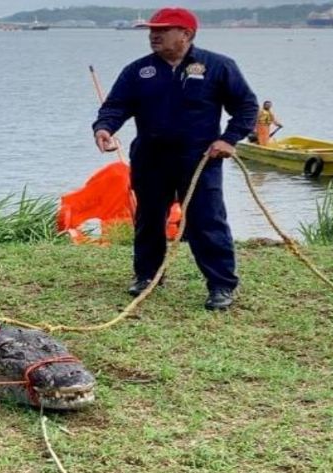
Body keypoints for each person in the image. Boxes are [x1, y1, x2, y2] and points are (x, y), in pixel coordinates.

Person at [93, 7, 258, 311]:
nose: (154, 35)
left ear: (186, 34)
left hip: (199, 160)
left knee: (207, 221)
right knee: (149, 219)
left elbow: (247, 108)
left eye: (163, 29)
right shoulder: (138, 70)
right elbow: (115, 106)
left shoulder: (218, 66)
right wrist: (104, 128)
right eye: (152, 30)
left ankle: (221, 285)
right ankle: (147, 276)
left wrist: (228, 139)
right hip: (150, 158)